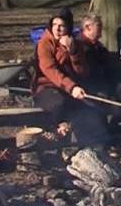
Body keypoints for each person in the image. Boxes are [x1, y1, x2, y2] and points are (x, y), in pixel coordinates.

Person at [33, 9, 110, 147]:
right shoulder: (44, 44)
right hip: (47, 88)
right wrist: (71, 87)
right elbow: (50, 70)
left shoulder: (76, 43)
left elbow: (82, 72)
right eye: (54, 24)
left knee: (93, 106)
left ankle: (94, 145)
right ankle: (55, 139)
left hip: (70, 88)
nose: (57, 28)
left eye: (61, 25)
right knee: (60, 103)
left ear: (68, 27)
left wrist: (73, 52)